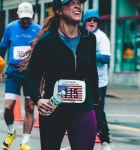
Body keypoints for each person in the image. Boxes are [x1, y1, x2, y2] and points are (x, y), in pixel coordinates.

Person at [26, 0, 100, 150]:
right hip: (53, 110)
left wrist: (96, 108)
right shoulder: (46, 41)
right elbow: (32, 77)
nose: (77, 5)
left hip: (83, 109)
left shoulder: (89, 39)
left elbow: (93, 74)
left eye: (79, 2)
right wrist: (38, 100)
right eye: (71, 2)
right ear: (59, 10)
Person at [0, 2, 41, 150]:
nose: (25, 20)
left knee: (29, 107)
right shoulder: (10, 28)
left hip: (31, 73)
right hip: (13, 72)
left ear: (32, 16)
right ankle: (11, 132)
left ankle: (24, 143)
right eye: (23, 17)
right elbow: (2, 51)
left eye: (28, 18)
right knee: (8, 107)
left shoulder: (38, 29)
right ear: (18, 15)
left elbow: (43, 53)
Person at [83, 9, 112, 150]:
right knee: (81, 112)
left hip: (99, 82)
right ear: (85, 22)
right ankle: (81, 142)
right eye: (89, 20)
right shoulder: (80, 34)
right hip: (83, 81)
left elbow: (106, 58)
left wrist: (89, 54)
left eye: (95, 20)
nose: (92, 22)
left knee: (98, 112)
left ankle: (105, 141)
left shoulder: (102, 37)